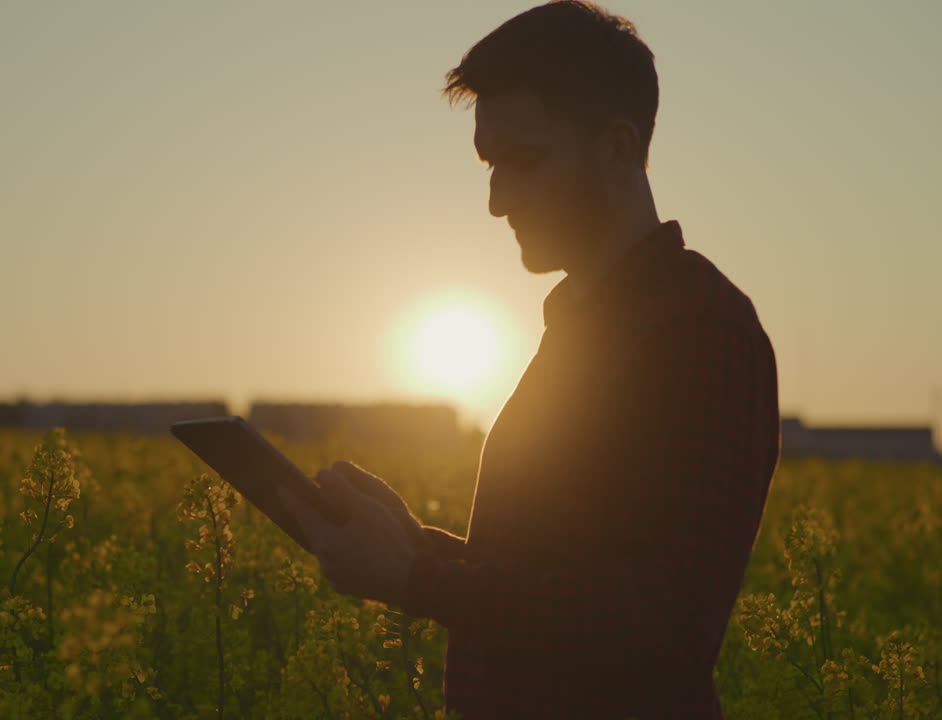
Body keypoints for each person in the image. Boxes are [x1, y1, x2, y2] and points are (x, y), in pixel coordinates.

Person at [277, 2, 780, 717]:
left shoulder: (702, 330)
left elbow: (667, 624)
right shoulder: (583, 328)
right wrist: (416, 549)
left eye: (523, 161)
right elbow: (556, 577)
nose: (495, 200)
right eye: (489, 165)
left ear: (614, 148)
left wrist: (418, 579)